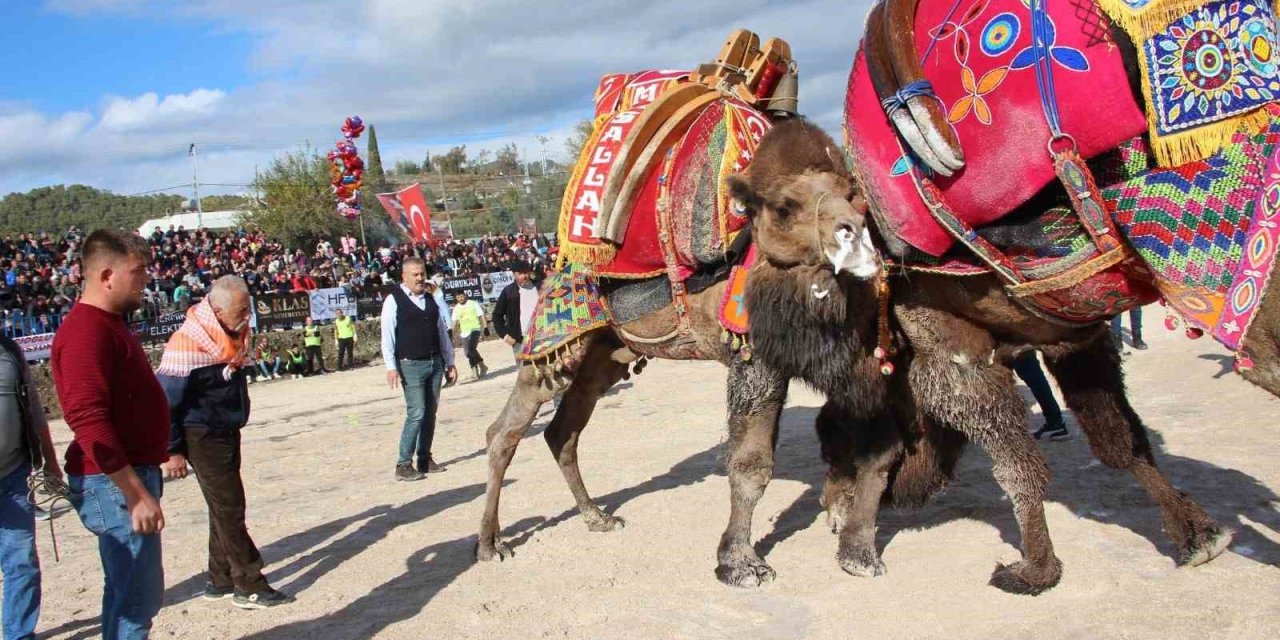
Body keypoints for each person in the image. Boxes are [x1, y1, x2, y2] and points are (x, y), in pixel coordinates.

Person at [51, 229, 169, 640]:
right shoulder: (87, 331)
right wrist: (135, 493)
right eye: (137, 272)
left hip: (124, 478)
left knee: (126, 593)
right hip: (114, 484)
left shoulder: (108, 323)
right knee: (137, 601)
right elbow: (87, 418)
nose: (145, 281)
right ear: (106, 275)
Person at [157, 276, 295, 610]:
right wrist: (171, 450)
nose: (247, 316)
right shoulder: (187, 343)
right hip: (200, 433)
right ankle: (249, 583)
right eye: (240, 310)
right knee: (230, 507)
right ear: (217, 310)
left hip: (225, 429)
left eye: (247, 308)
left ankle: (219, 578)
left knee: (222, 506)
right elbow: (164, 403)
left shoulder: (230, 335)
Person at [0, 334, 61, 640]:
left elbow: (34, 408)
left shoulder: (9, 350)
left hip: (13, 473)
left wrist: (50, 461)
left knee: (21, 560)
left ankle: (18, 634)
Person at [380, 257, 457, 481]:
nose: (420, 278)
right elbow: (387, 335)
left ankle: (424, 458)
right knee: (417, 412)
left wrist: (449, 361)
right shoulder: (393, 300)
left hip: (435, 362)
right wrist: (391, 367)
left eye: (422, 273)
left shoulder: (431, 299)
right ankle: (403, 463)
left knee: (430, 413)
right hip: (410, 364)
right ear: (404, 276)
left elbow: (442, 332)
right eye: (415, 274)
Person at [1012, 351, 1070, 441]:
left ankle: (1055, 422)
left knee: (1029, 369)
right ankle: (1055, 422)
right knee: (1028, 370)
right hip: (1013, 345)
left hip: (1015, 344)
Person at [492, 262, 538, 359]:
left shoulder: (539, 287)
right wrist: (505, 336)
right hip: (519, 340)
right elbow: (497, 316)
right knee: (525, 372)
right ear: (514, 275)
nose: (524, 276)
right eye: (520, 274)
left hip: (540, 337)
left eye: (526, 273)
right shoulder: (508, 292)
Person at [452, 290, 489, 380]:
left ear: (465, 295)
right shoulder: (456, 308)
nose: (460, 298)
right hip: (464, 332)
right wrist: (451, 333)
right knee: (467, 353)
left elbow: (481, 315)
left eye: (461, 296)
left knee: (471, 348)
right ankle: (477, 369)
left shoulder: (473, 303)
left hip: (475, 329)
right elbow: (454, 322)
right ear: (456, 299)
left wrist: (485, 327)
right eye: (458, 297)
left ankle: (480, 369)